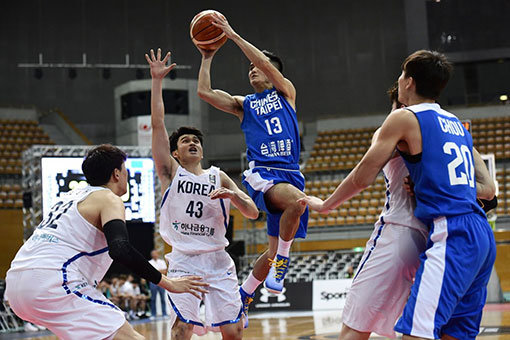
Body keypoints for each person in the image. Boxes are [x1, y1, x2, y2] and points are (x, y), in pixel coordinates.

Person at [299, 50, 496, 340]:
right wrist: (434, 184)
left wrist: (325, 205)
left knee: (387, 330)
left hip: (440, 231)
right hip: (476, 233)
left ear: (409, 82)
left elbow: (362, 177)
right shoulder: (458, 126)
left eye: (402, 74)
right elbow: (489, 192)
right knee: (453, 333)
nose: (399, 79)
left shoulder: (402, 119)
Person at [5, 144, 209, 340]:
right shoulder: (108, 198)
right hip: (52, 282)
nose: (126, 175)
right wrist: (168, 283)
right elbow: (120, 249)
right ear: (116, 174)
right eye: (125, 170)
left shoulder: (67, 197)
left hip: (16, 285)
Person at [196, 13, 308, 322]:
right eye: (249, 69)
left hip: (290, 172)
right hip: (263, 173)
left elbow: (267, 65)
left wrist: (232, 35)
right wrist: (207, 57)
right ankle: (282, 265)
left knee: (270, 251)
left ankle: (244, 293)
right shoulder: (243, 104)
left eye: (256, 66)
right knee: (296, 203)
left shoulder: (286, 92)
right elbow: (204, 93)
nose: (251, 71)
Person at [146, 48, 259, 340]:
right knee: (182, 329)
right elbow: (158, 124)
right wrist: (156, 82)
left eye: (196, 140)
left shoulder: (217, 175)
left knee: (232, 331)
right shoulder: (170, 172)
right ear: (175, 152)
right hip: (184, 259)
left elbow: (252, 211)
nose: (193, 143)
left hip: (218, 259)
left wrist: (235, 197)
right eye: (186, 141)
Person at [148, 249, 168, 318]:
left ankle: (164, 313)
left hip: (162, 281)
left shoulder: (162, 262)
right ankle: (153, 314)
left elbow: (164, 271)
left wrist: (155, 271)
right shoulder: (149, 262)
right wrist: (158, 271)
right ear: (151, 255)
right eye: (153, 254)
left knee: (163, 298)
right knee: (153, 298)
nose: (154, 255)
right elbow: (150, 273)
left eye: (155, 253)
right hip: (153, 282)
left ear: (158, 254)